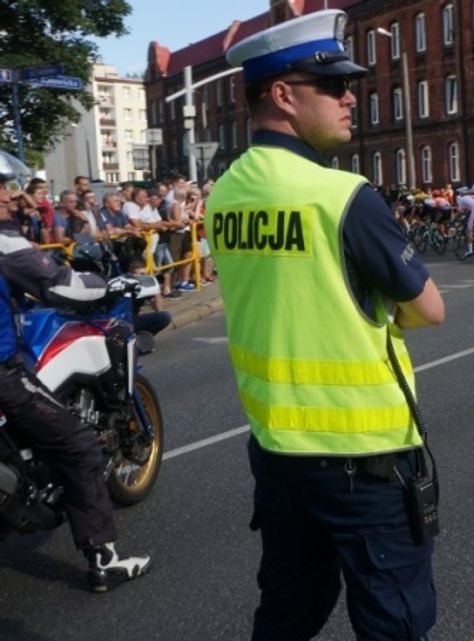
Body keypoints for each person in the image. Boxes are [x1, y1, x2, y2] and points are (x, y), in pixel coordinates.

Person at [209, 11, 445, 640]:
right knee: (392, 619)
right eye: (333, 86)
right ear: (283, 95)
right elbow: (429, 308)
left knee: (287, 613)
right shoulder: (341, 194)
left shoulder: (224, 194)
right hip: (364, 455)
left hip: (278, 450)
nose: (350, 98)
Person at [0, 202, 151, 592]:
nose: (8, 198)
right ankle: (104, 560)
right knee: (81, 446)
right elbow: (60, 284)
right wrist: (105, 284)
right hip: (3, 377)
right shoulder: (4, 243)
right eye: (0, 189)